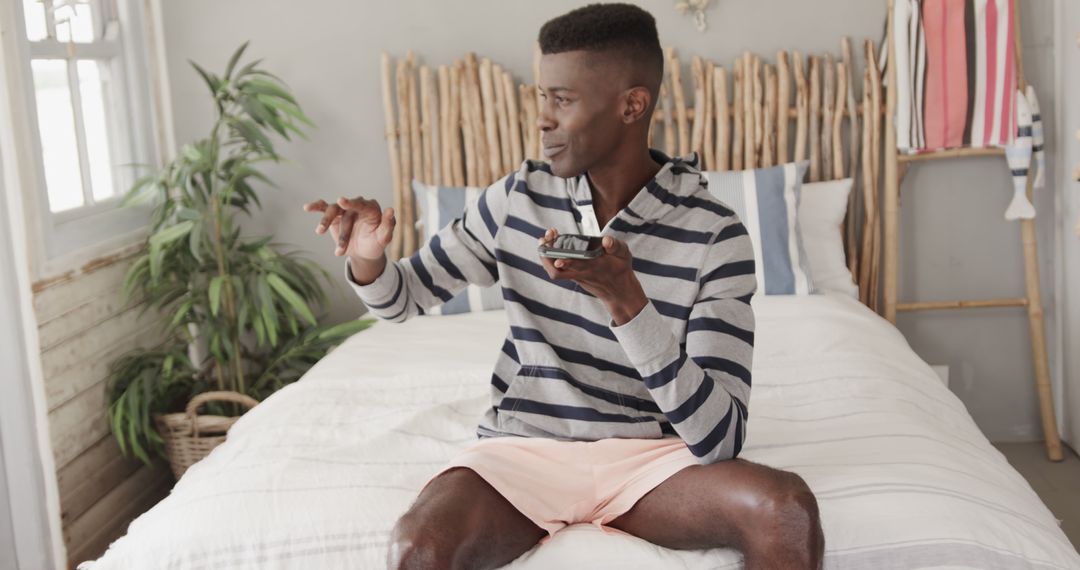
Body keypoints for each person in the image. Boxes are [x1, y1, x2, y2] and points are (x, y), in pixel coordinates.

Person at [304, 4, 824, 568]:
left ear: (632, 105)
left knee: (786, 508)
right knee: (417, 545)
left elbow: (719, 440)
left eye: (563, 100)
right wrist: (368, 259)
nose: (543, 120)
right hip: (525, 452)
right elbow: (402, 300)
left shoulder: (714, 233)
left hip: (653, 461)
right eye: (542, 98)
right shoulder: (515, 199)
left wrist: (628, 303)